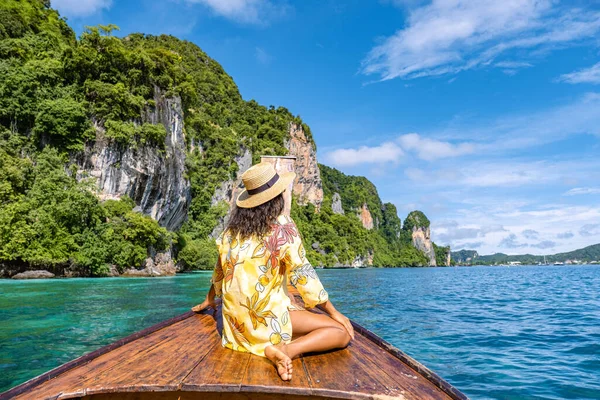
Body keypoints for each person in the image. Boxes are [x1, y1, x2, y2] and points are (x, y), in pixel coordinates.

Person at [192, 161, 354, 381]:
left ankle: (278, 346)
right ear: (276, 198)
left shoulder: (230, 232)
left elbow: (220, 272)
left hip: (236, 329)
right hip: (267, 322)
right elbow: (303, 275)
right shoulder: (282, 226)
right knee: (340, 332)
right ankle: (286, 351)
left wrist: (209, 300)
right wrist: (334, 313)